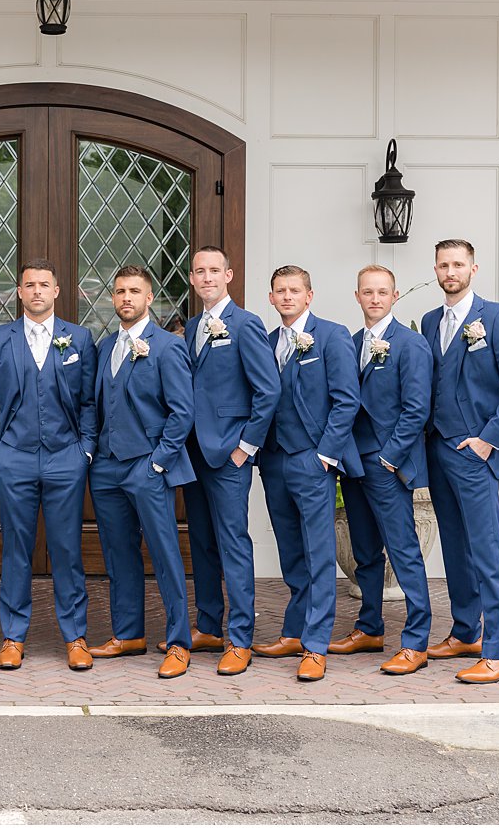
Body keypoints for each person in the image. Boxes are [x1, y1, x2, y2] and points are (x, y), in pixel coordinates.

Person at [422, 239, 499, 684]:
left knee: (486, 549)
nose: (450, 271)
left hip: (474, 453)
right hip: (439, 451)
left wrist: (488, 441)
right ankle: (466, 632)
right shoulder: (433, 320)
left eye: (458, 264)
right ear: (435, 270)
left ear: (474, 268)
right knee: (454, 546)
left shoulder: (496, 317)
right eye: (443, 264)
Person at [0, 258, 98, 672]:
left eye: (44, 284)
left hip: (66, 459)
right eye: (29, 285)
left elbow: (89, 401)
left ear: (57, 291)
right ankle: (13, 636)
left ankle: (76, 636)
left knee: (67, 550)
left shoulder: (79, 338)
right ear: (19, 292)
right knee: (16, 550)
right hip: (15, 457)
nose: (37, 292)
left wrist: (85, 450)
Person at [252, 265, 361, 683]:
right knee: (291, 552)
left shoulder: (331, 336)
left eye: (294, 290)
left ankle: (316, 645)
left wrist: (325, 457)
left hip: (312, 460)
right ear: (272, 296)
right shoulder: (266, 342)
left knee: (318, 554)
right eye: (280, 290)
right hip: (275, 461)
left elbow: (346, 400)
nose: (286, 297)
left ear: (309, 296)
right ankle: (294, 632)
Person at [87, 266, 196, 679]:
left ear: (150, 298)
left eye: (135, 291)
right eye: (119, 292)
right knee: (118, 553)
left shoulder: (167, 346)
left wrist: (158, 461)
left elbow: (182, 412)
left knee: (165, 554)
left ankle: (179, 641)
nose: (126, 298)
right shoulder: (104, 347)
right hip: (107, 467)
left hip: (147, 466)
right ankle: (128, 633)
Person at [180, 246, 280, 676]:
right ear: (192, 278)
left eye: (214, 271)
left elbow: (268, 390)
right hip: (193, 454)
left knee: (233, 543)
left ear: (229, 275)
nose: (206, 278)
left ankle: (240, 637)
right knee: (201, 542)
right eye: (199, 271)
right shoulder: (189, 327)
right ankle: (208, 624)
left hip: (229, 454)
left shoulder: (246, 324)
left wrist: (247, 446)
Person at [330, 264, 434, 676]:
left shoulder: (409, 344)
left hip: (386, 464)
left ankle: (416, 641)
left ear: (394, 296)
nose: (374, 299)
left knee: (404, 550)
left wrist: (390, 457)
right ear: (357, 296)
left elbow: (417, 408)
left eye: (382, 292)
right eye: (367, 292)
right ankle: (369, 627)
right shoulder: (349, 342)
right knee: (364, 550)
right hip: (352, 462)